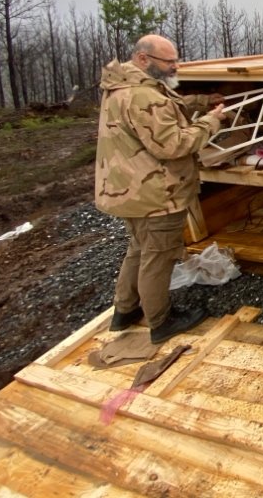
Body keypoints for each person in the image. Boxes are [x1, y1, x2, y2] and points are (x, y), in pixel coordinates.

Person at [95, 34, 227, 344]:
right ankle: (161, 321)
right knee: (159, 257)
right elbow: (174, 145)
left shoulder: (123, 86)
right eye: (169, 62)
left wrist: (201, 102)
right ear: (143, 59)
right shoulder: (143, 95)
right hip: (156, 194)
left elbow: (164, 107)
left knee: (139, 250)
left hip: (127, 191)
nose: (174, 67)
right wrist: (211, 122)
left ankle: (125, 311)